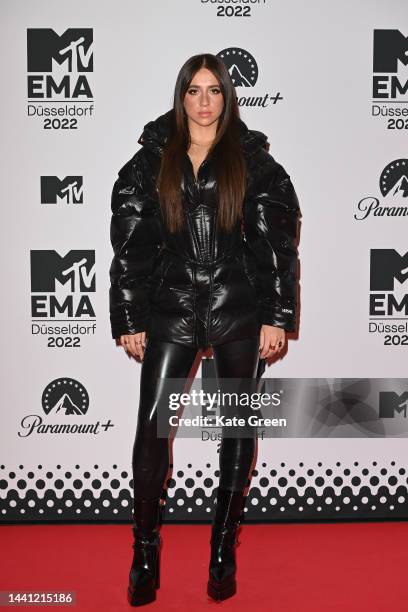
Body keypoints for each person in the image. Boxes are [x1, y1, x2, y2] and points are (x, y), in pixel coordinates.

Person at [108, 53, 301, 605]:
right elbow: (129, 247)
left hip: (238, 306)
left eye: (214, 90)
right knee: (154, 429)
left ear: (226, 98)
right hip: (170, 306)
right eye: (194, 90)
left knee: (237, 428)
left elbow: (276, 246)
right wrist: (130, 317)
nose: (204, 101)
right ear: (181, 96)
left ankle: (223, 547)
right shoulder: (149, 163)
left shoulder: (254, 161)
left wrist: (277, 315)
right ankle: (145, 550)